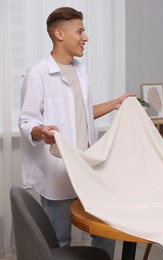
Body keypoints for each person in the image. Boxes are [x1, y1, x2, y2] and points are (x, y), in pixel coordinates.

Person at [18, 7, 134, 258]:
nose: (86, 37)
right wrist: (41, 131)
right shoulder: (37, 75)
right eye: (80, 31)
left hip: (87, 169)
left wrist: (114, 103)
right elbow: (27, 121)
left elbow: (78, 113)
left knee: (106, 232)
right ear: (59, 33)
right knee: (59, 241)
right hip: (58, 170)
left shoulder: (80, 70)